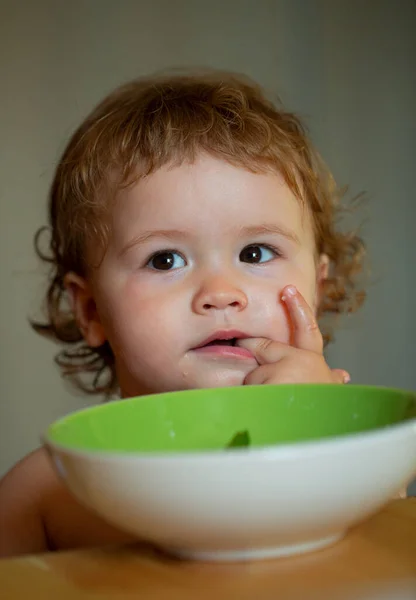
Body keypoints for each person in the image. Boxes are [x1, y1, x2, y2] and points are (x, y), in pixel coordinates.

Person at [0, 69, 366, 557]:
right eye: (165, 259)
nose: (220, 293)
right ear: (91, 311)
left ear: (316, 289)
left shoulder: (358, 451)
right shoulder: (44, 494)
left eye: (256, 253)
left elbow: (388, 551)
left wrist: (320, 429)